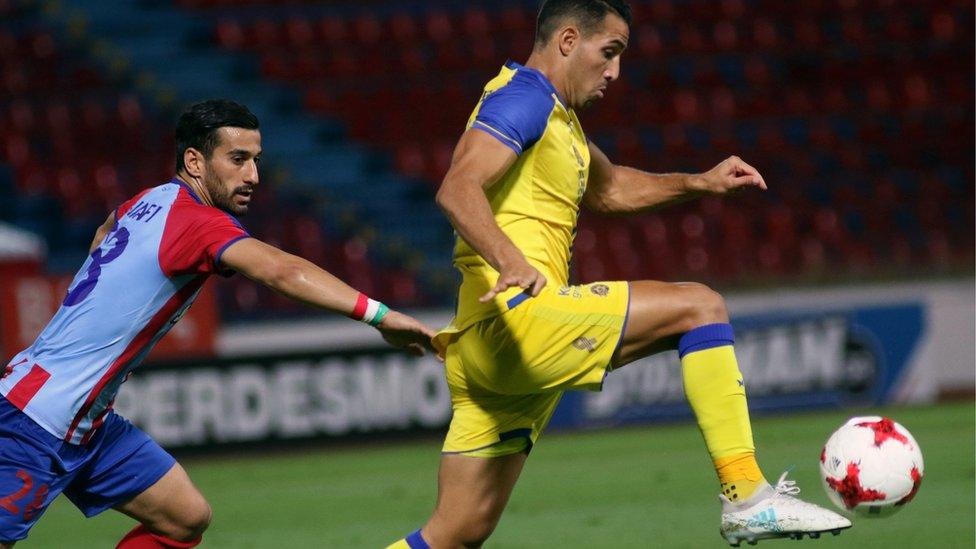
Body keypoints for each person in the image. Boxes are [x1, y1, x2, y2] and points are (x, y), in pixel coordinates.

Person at [387, 1, 851, 547]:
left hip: (483, 348)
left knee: (453, 535)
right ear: (567, 40)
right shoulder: (525, 98)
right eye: (609, 52)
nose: (615, 71)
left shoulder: (558, 120)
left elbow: (609, 189)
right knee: (700, 307)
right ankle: (746, 494)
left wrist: (698, 183)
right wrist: (511, 259)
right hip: (520, 322)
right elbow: (457, 187)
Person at [0, 99, 436, 548]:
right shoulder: (198, 222)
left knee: (184, 518)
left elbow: (106, 229)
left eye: (256, 161)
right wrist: (380, 315)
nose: (253, 177)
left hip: (85, 419)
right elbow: (280, 270)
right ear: (194, 161)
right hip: (35, 418)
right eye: (238, 159)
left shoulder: (150, 200)